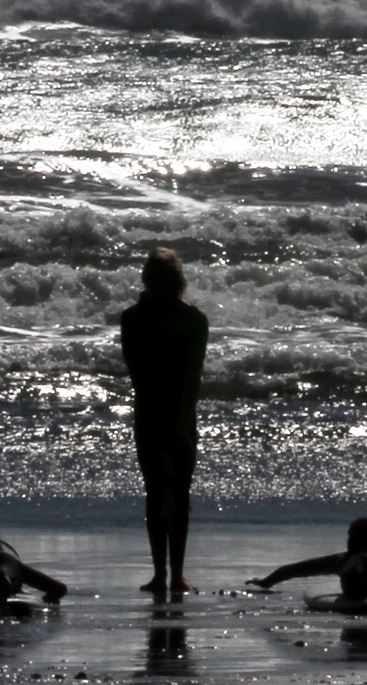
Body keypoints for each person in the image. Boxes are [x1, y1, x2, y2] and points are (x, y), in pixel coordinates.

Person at [120, 247, 209, 601]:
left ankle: (164, 575)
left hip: (151, 415)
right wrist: (181, 428)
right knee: (175, 494)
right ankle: (172, 576)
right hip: (176, 415)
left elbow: (138, 375)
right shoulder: (193, 319)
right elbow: (192, 379)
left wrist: (166, 422)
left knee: (157, 493)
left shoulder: (133, 317)